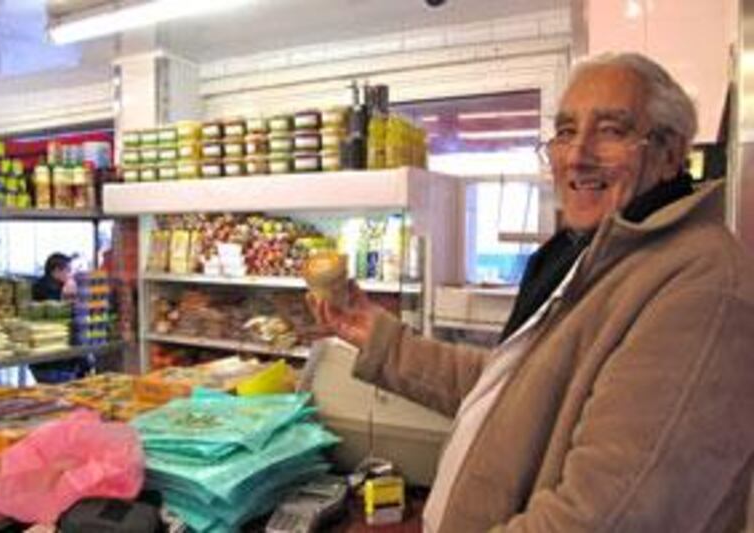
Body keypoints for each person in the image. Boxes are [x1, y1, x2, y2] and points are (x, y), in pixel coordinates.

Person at [309, 52, 754, 532]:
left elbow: (600, 521)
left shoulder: (702, 288)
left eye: (611, 130)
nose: (577, 155)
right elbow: (514, 389)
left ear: (670, 153)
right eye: (565, 131)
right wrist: (379, 337)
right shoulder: (602, 254)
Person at [30, 253, 85, 383]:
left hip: (40, 359)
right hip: (55, 360)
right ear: (56, 271)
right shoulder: (54, 291)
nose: (70, 274)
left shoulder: (38, 286)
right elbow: (65, 321)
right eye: (68, 270)